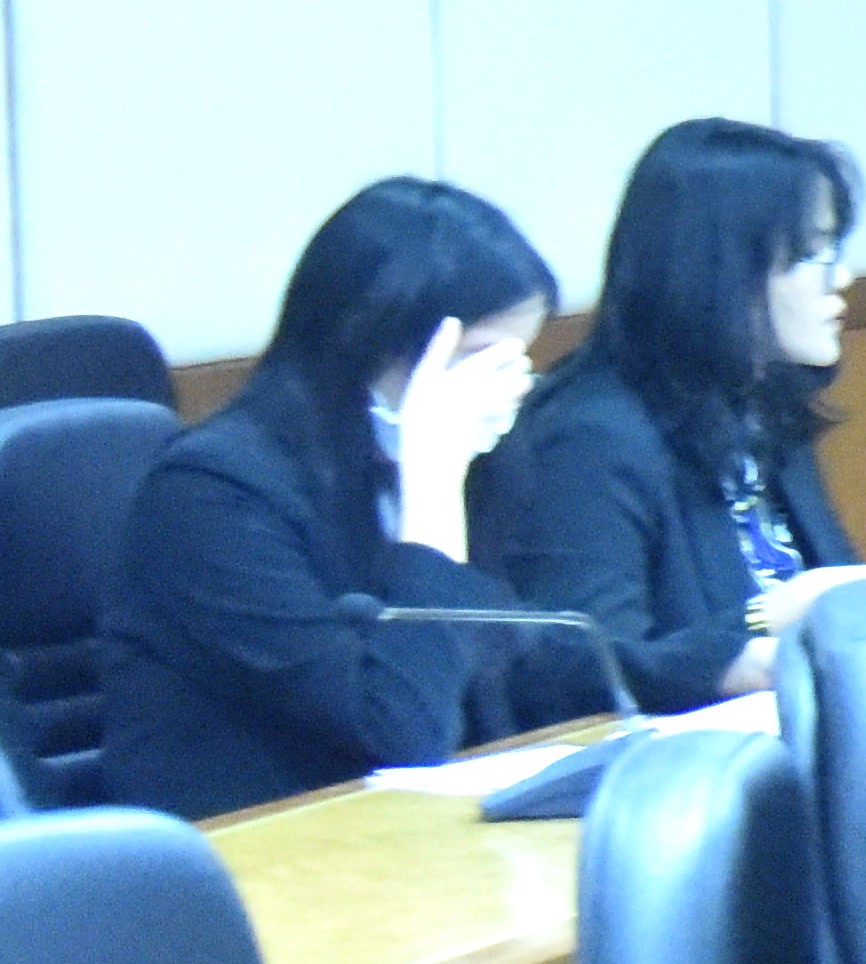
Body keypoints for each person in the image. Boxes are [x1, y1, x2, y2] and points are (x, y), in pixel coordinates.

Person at [92, 177, 571, 816]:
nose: (509, 387)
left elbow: (516, 657)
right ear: (366, 342)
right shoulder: (211, 494)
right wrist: (434, 484)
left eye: (519, 359)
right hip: (256, 843)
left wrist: (684, 677)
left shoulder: (466, 464)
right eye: (482, 361)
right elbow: (398, 733)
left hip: (409, 832)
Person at [486, 115, 866, 710]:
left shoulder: (760, 407)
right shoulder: (591, 440)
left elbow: (839, 603)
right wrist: (766, 620)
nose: (841, 278)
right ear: (721, 272)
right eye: (811, 254)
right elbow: (583, 675)